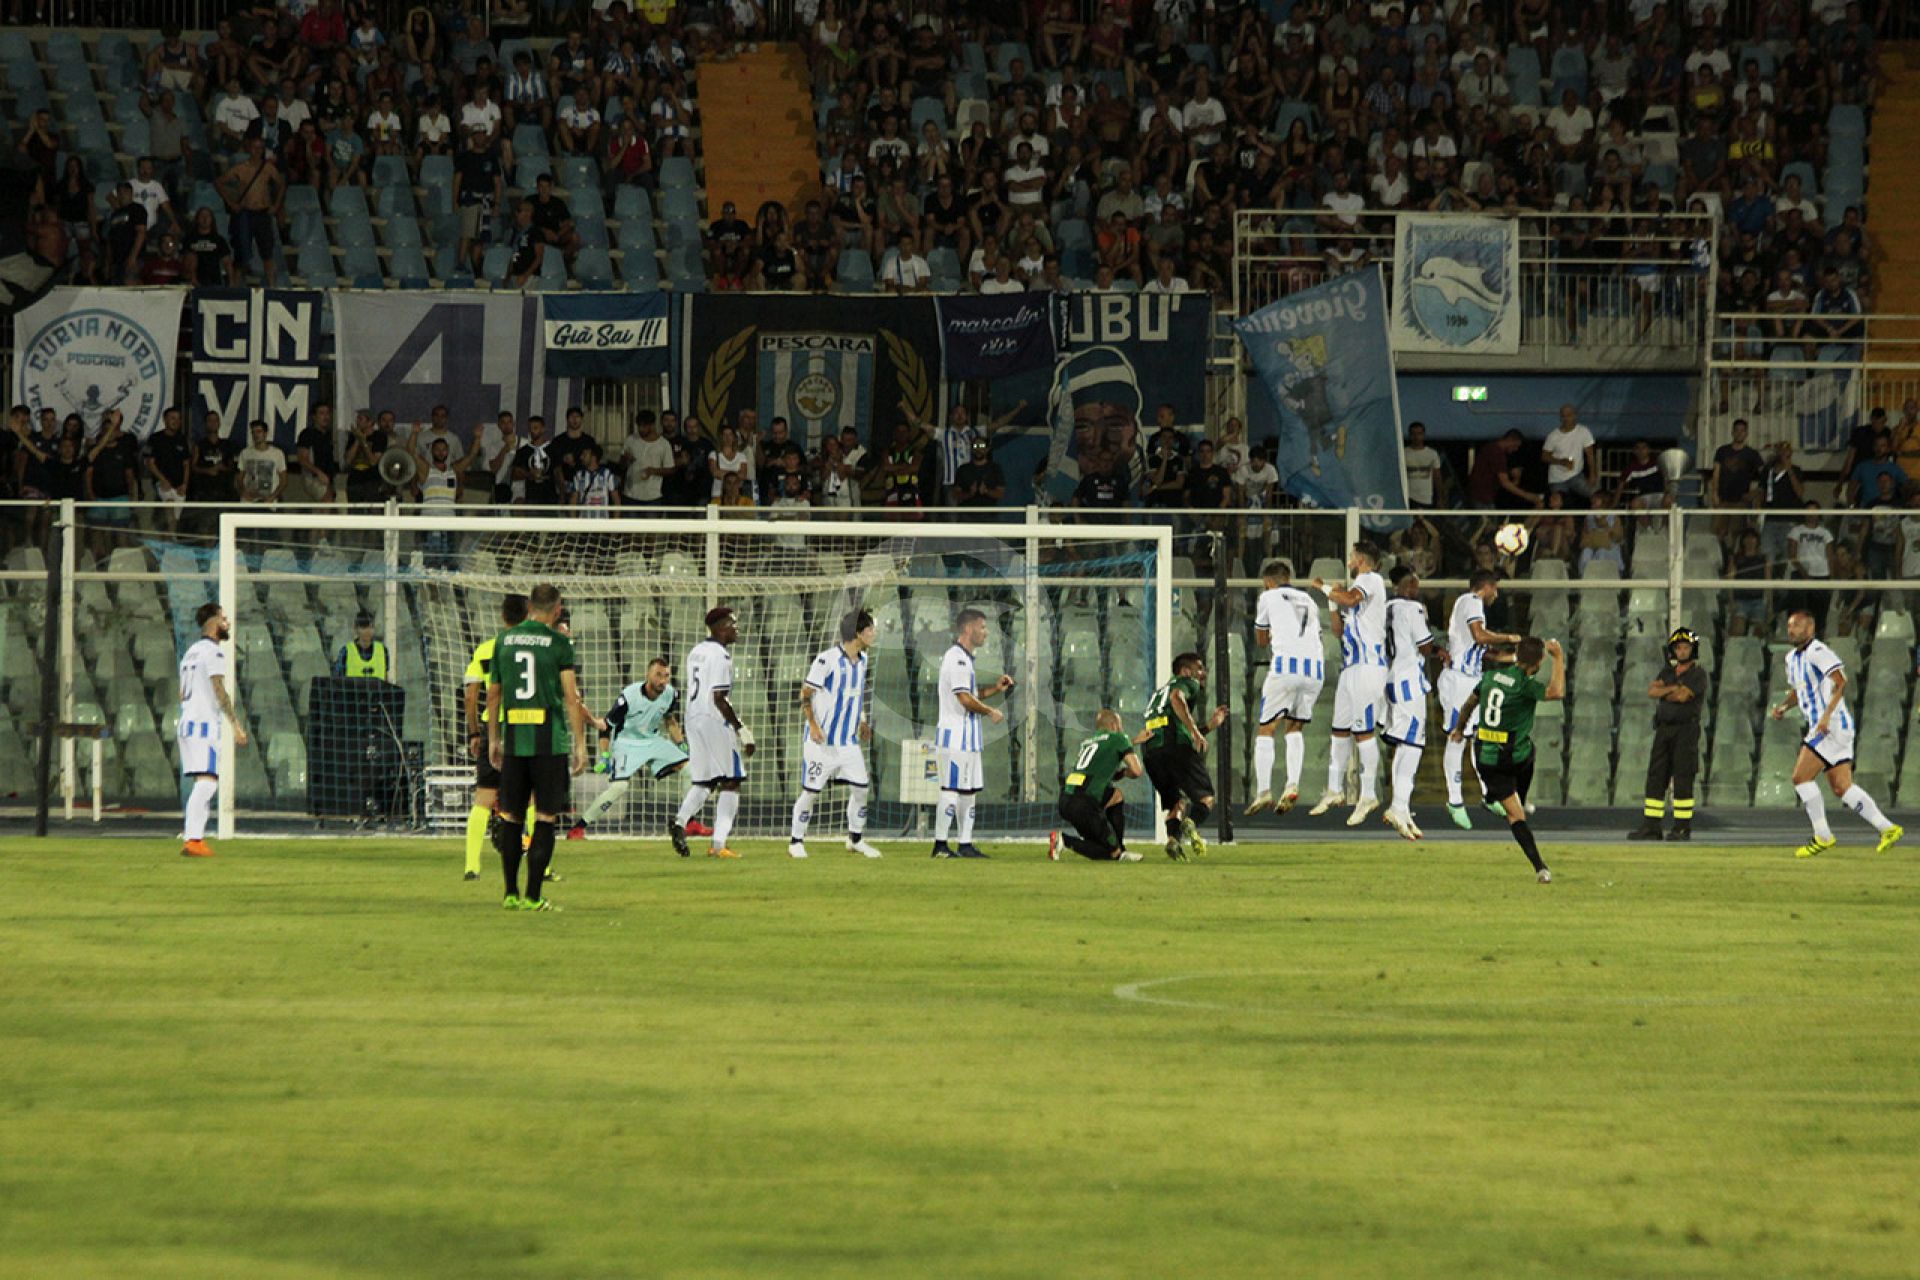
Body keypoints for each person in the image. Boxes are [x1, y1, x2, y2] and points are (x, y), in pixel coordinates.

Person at [485, 584, 589, 911]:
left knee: (512, 818)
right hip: (549, 742)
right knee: (544, 818)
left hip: (515, 741)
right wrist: (581, 745)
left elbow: (493, 694)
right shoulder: (559, 643)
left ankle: (510, 893)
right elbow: (570, 697)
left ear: (530, 606)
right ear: (557, 610)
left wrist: (493, 739)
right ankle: (533, 896)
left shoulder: (504, 640)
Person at [1771, 611, 1904, 859]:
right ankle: (1888, 828)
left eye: (1797, 625)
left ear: (1810, 628)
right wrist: (1783, 707)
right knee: (1842, 787)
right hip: (1832, 727)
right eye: (1789, 626)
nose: (1791, 630)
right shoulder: (1791, 658)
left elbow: (1840, 681)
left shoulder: (1818, 652)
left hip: (1831, 725)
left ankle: (1823, 836)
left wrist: (1825, 716)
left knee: (1800, 777)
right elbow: (1800, 690)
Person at [1449, 636, 1565, 883]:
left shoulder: (1491, 677)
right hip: (1509, 758)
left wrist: (1459, 729)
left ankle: (1497, 798)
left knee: (1527, 752)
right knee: (1516, 815)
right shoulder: (1524, 685)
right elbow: (1556, 692)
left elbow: (1469, 704)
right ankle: (1540, 868)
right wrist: (1558, 658)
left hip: (1484, 756)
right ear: (1538, 663)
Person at [789, 609, 883, 859]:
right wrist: (813, 725)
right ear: (858, 633)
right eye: (870, 629)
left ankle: (855, 839)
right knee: (811, 792)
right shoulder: (827, 660)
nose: (874, 633)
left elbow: (856, 694)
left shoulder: (863, 661)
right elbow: (805, 693)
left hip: (848, 742)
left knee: (861, 789)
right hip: (822, 742)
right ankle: (796, 841)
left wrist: (862, 720)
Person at [1309, 541, 1389, 825]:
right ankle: (1334, 789)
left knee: (1363, 733)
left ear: (1362, 559)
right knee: (1339, 730)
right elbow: (1338, 630)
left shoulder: (1371, 580)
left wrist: (1323, 588)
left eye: (1353, 556)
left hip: (1369, 666)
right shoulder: (1354, 589)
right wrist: (1332, 601)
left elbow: (1352, 600)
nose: (1350, 560)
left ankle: (1368, 794)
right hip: (1351, 667)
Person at [1438, 571, 1521, 829]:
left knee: (1480, 738)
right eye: (1496, 588)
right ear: (1488, 586)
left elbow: (1485, 652)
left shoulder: (1471, 608)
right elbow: (1480, 636)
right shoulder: (1471, 601)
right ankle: (1454, 801)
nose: (1496, 594)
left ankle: (1489, 795)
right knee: (1457, 738)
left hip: (1471, 679)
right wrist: (1508, 637)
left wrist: (1517, 658)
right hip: (1459, 681)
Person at [572, 657, 689, 838]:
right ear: (648, 675)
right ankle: (579, 827)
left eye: (666, 676)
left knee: (690, 769)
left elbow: (669, 720)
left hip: (652, 740)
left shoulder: (670, 694)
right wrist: (605, 755)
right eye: (658, 675)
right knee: (619, 787)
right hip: (626, 743)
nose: (663, 680)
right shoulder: (629, 696)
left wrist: (681, 744)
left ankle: (686, 821)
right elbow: (606, 727)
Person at [931, 608, 1015, 859]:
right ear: (968, 629)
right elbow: (964, 699)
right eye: (982, 627)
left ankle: (965, 844)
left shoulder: (966, 660)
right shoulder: (956, 658)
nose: (985, 632)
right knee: (950, 790)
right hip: (955, 737)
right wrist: (990, 711)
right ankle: (940, 845)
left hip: (968, 739)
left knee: (968, 791)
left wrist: (995, 689)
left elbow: (971, 694)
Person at [673, 606, 754, 859]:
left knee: (705, 780)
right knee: (732, 780)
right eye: (732, 624)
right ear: (719, 628)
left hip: (693, 718)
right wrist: (741, 729)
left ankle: (679, 822)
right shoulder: (721, 656)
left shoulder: (696, 651)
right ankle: (719, 844)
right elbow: (719, 697)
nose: (736, 628)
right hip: (713, 720)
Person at [1246, 557, 1323, 815]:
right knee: (1294, 727)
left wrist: (1270, 634)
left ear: (1268, 582)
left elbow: (1260, 639)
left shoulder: (1268, 597)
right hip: (1314, 671)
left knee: (1267, 729)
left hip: (1285, 668)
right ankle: (1292, 784)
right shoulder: (1309, 600)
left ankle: (1263, 791)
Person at [461, 593, 528, 881]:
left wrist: (474, 732)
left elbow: (471, 696)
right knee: (531, 799)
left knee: (484, 798)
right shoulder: (533, 649)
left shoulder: (486, 650)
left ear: (502, 616)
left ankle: (471, 867)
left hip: (492, 728)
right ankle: (542, 865)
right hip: (524, 726)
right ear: (527, 616)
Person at [177, 602, 250, 858]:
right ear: (212, 622)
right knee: (208, 784)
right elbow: (219, 690)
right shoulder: (213, 652)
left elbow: (181, 693)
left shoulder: (191, 652)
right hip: (203, 725)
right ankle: (193, 839)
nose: (227, 623)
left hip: (187, 723)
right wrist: (236, 725)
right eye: (223, 618)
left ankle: (194, 838)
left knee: (203, 782)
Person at [1141, 651, 1230, 860]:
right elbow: (1177, 698)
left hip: (1150, 752)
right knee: (1206, 798)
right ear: (1186, 671)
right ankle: (1191, 823)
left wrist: (1209, 726)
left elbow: (1170, 724)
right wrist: (1195, 732)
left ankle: (1173, 840)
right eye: (1199, 669)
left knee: (1176, 802)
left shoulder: (1158, 694)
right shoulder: (1187, 683)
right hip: (1175, 747)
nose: (1203, 673)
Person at [1630, 627, 1710, 842]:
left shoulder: (1698, 674)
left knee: (1683, 778)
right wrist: (1672, 689)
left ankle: (1682, 828)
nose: (1681, 651)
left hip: (1686, 731)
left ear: (1693, 650)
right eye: (1678, 648)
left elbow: (1683, 696)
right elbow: (1652, 691)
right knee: (1656, 777)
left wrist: (1666, 691)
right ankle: (1651, 827)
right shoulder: (1667, 672)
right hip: (1663, 730)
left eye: (1686, 648)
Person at [1382, 567, 1439, 841]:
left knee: (1405, 745)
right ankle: (1398, 806)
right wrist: (1439, 648)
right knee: (1414, 744)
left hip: (1392, 678)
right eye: (1413, 584)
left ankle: (1402, 809)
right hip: (1409, 681)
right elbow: (1425, 645)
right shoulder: (1413, 608)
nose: (1416, 589)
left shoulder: (1386, 608)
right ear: (1405, 586)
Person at [1049, 709, 1146, 862]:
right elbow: (1137, 771)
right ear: (1114, 725)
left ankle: (1119, 849)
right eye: (1120, 725)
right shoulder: (1120, 738)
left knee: (1116, 796)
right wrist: (1126, 771)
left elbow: (1105, 762)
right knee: (1110, 854)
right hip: (1084, 803)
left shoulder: (1089, 742)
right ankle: (1064, 840)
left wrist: (1132, 743)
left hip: (1066, 800)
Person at [1542, 404, 1598, 503]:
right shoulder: (1553, 435)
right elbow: (1544, 456)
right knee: (1557, 503)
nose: (1566, 418)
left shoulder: (1583, 431)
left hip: (1576, 475)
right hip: (1557, 478)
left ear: (1574, 415)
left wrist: (1592, 474)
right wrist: (1561, 461)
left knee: (1596, 496)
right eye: (1563, 416)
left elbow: (1590, 455)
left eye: (1569, 415)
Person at [333, 609, 390, 680]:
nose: (368, 631)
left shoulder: (383, 650)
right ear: (356, 628)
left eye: (371, 627)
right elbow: (338, 679)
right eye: (364, 627)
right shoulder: (346, 651)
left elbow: (386, 678)